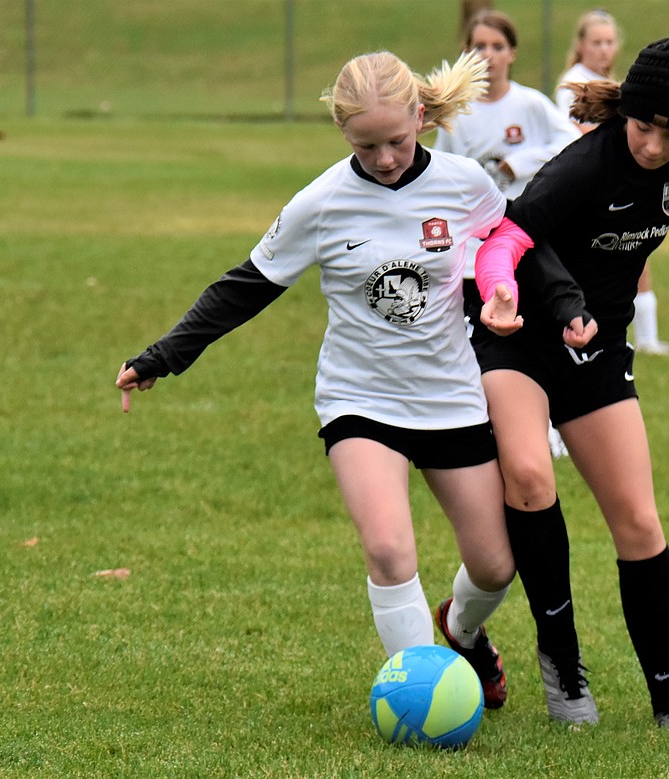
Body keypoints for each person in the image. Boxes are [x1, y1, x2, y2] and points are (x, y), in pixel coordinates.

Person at [113, 49, 528, 710]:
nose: (386, 157)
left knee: (495, 566)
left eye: (396, 140)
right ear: (344, 135)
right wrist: (163, 355)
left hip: (452, 396)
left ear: (421, 118)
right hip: (359, 400)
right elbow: (245, 286)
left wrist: (520, 301)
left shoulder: (464, 182)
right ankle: (423, 696)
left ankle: (466, 632)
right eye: (367, 146)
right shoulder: (323, 201)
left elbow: (513, 242)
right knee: (390, 550)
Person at [472, 37, 669, 732]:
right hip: (517, 334)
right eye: (644, 127)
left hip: (597, 348)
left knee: (638, 520)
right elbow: (505, 240)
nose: (654, 147)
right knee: (529, 474)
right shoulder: (583, 167)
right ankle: (561, 661)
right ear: (627, 113)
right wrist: (498, 295)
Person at [435, 8, 579, 459]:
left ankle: (550, 423)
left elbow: (572, 144)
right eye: (479, 47)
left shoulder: (531, 104)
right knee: (486, 336)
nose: (489, 56)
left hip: (530, 237)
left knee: (539, 330)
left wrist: (522, 161)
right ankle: (487, 423)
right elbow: (442, 173)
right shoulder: (457, 116)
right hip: (478, 245)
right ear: (467, 53)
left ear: (512, 53)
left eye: (498, 47)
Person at [554, 9, 669, 357]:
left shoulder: (616, 84)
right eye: (596, 42)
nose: (604, 49)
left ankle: (647, 339)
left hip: (619, 186)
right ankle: (589, 331)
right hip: (588, 191)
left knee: (637, 254)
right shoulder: (574, 84)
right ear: (580, 45)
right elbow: (577, 135)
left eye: (609, 42)